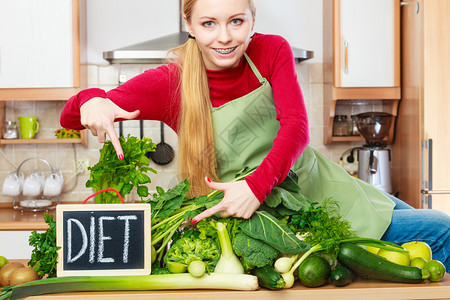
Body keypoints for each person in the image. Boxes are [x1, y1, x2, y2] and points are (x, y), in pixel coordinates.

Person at [61, 0, 449, 271]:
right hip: (289, 217)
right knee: (441, 230)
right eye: (209, 23)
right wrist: (93, 100)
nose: (225, 37)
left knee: (426, 240)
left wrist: (256, 184)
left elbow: (296, 126)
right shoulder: (172, 82)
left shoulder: (271, 50)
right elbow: (71, 114)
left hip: (326, 185)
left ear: (252, 18)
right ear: (190, 25)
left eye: (237, 21)